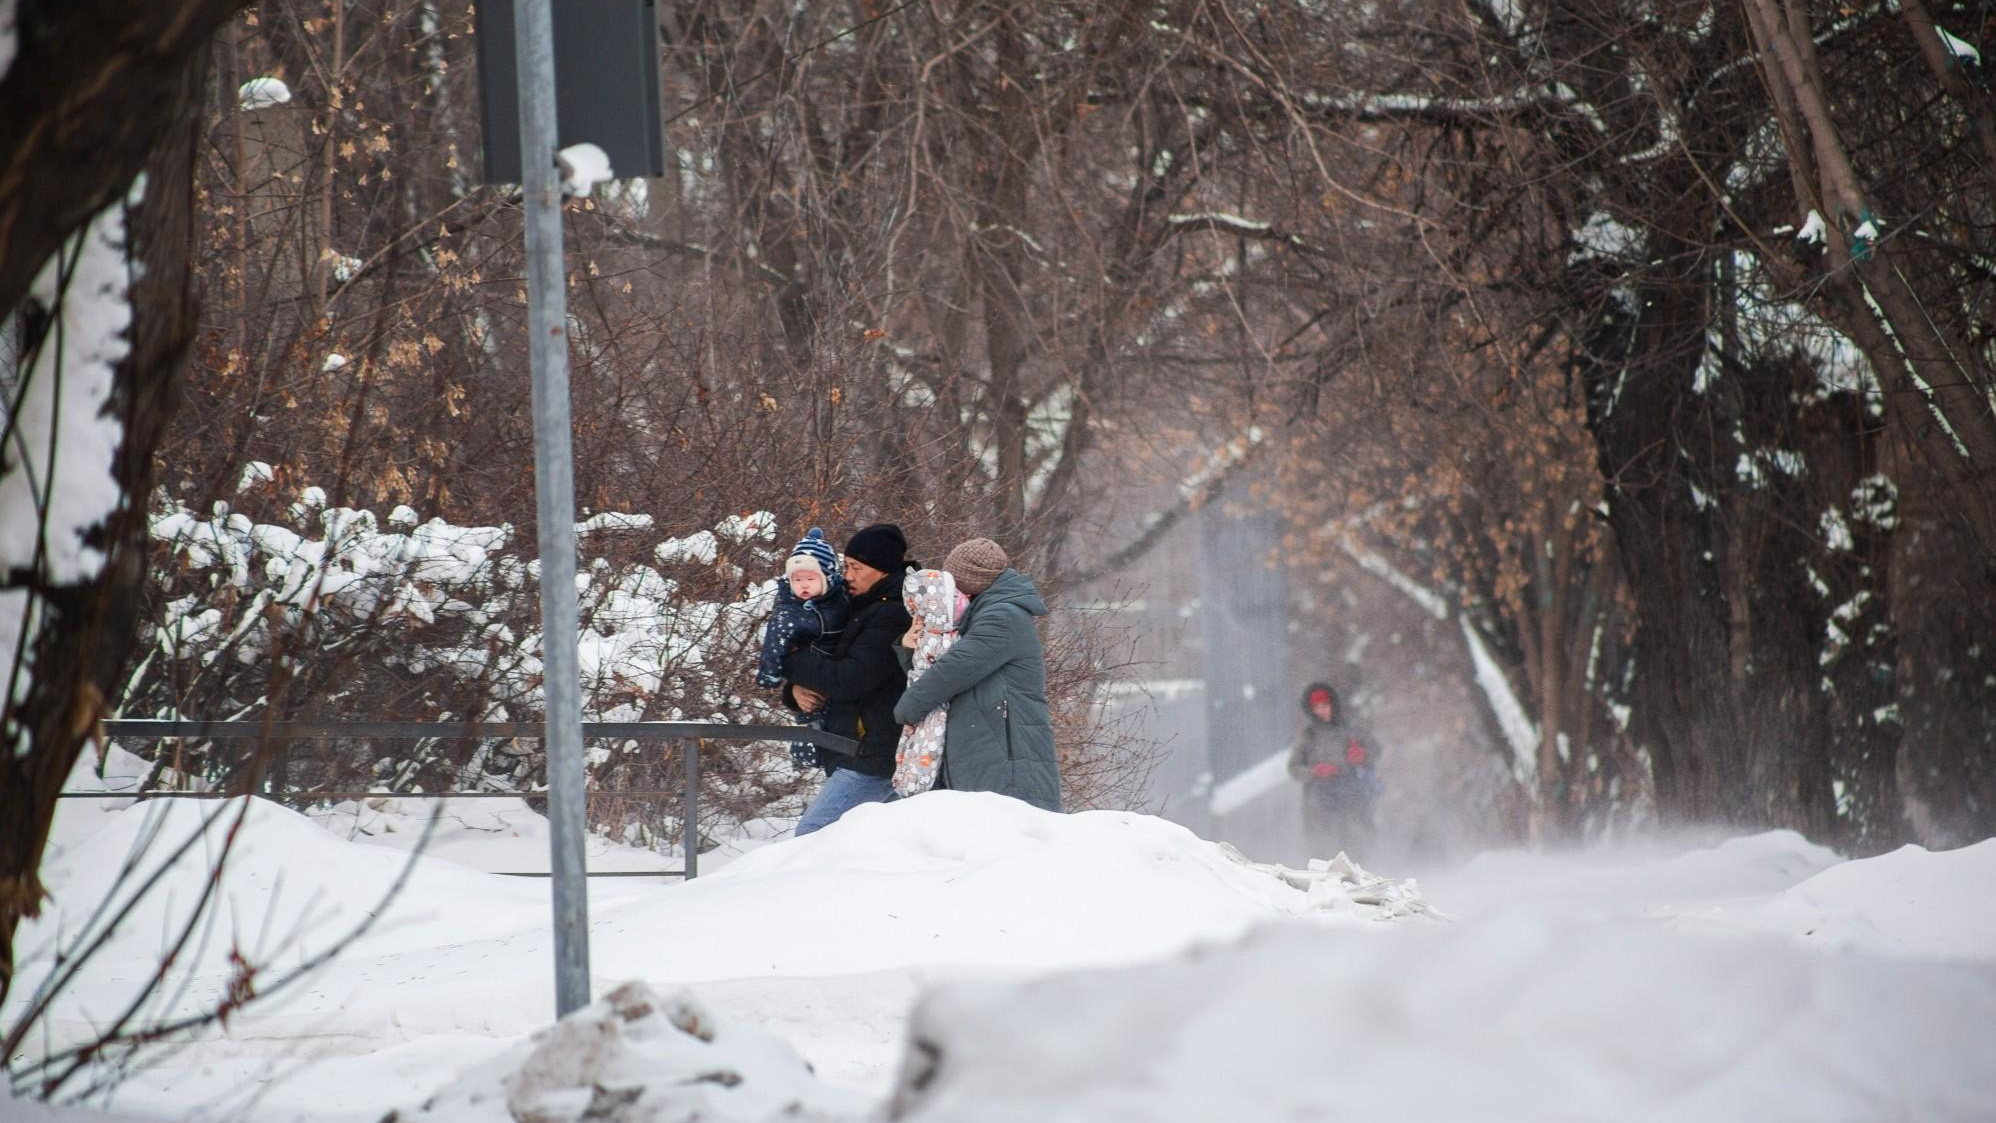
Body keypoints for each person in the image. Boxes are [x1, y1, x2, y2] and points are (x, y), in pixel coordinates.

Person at [892, 538, 1062, 812]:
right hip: (995, 757)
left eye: (954, 582)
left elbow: (952, 672)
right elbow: (940, 671)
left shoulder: (1003, 617)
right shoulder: (980, 616)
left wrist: (907, 709)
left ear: (970, 583)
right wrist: (910, 649)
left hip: (1009, 763)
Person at [783, 523, 915, 835]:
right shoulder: (862, 607)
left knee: (811, 836)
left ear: (881, 570)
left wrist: (789, 660)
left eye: (856, 567)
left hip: (873, 755)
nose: (847, 575)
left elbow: (850, 679)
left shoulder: (892, 614)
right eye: (845, 566)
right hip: (859, 750)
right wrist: (796, 691)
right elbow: (831, 665)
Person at [756, 528, 851, 765]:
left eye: (810, 579)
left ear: (827, 578)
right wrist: (772, 674)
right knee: (812, 713)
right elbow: (774, 644)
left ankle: (821, 749)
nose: (804, 586)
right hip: (813, 674)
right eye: (797, 580)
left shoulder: (845, 600)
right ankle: (810, 750)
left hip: (840, 681)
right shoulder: (791, 611)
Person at [891, 568, 968, 797]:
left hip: (940, 711)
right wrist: (907, 646)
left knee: (924, 744)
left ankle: (916, 784)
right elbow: (921, 669)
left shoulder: (965, 632)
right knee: (920, 745)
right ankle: (914, 784)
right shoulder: (928, 632)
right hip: (926, 704)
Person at [1286, 681, 1381, 858]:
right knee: (1323, 847)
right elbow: (1294, 767)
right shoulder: (1308, 736)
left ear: (1333, 705)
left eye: (1325, 705)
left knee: (1354, 843)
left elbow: (1375, 751)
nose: (1321, 710)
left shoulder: (1352, 729)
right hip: (1319, 799)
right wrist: (1313, 771)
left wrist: (1361, 756)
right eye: (1316, 707)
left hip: (1351, 794)